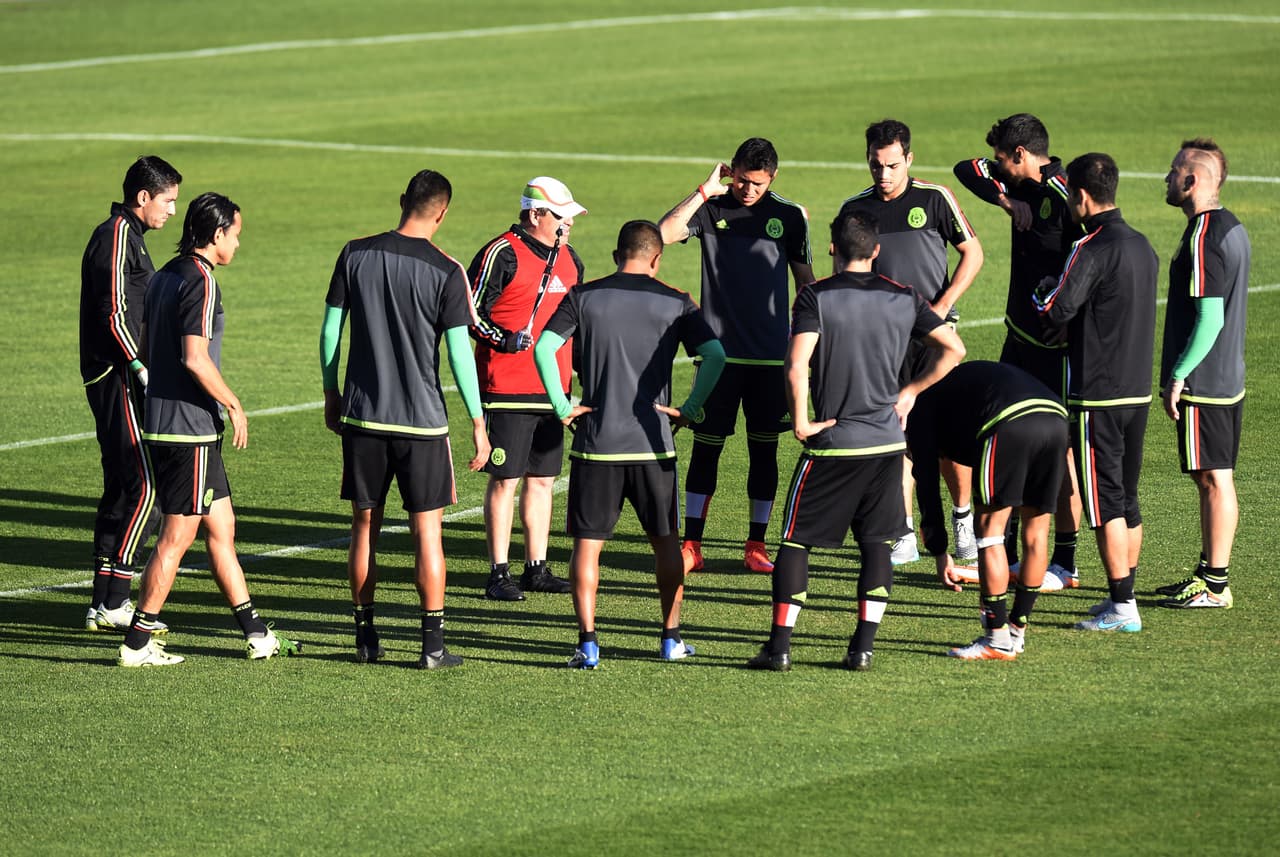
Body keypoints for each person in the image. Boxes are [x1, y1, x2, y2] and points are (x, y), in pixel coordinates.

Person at [747, 209, 965, 672]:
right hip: (887, 445)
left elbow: (796, 365)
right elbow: (955, 348)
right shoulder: (904, 297)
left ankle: (780, 648)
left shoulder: (814, 297)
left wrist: (803, 423)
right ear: (877, 250)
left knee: (794, 543)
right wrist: (910, 391)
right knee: (876, 544)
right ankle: (862, 648)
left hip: (835, 444)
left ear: (833, 247)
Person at [532, 220, 726, 669]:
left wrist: (563, 405)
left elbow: (544, 347)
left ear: (617, 254)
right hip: (653, 446)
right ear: (656, 258)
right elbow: (715, 355)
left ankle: (588, 643)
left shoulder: (584, 297)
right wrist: (691, 408)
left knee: (587, 547)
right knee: (666, 544)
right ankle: (670, 638)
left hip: (597, 444)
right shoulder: (676, 302)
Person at [119, 192, 299, 666]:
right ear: (217, 234)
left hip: (167, 421)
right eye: (236, 234)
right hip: (189, 429)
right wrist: (233, 403)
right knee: (176, 538)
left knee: (222, 528)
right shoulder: (200, 281)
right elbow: (194, 358)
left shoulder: (164, 275)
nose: (238, 244)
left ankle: (256, 633)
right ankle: (137, 642)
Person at [321, 169, 490, 669]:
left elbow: (331, 331)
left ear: (402, 202)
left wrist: (332, 394)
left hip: (365, 418)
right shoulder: (446, 270)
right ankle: (432, 648)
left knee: (363, 527)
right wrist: (478, 422)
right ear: (442, 212)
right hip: (422, 425)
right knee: (427, 535)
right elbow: (460, 354)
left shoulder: (355, 253)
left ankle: (365, 638)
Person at [658, 138, 814, 575]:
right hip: (719, 357)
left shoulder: (789, 216)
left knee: (763, 453)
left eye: (758, 184)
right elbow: (663, 234)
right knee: (707, 450)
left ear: (773, 178)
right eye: (743, 180)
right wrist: (704, 191)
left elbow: (805, 283)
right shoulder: (713, 207)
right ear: (733, 171)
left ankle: (756, 545)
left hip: (770, 358)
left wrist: (808, 340)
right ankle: (692, 544)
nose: (748, 190)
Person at [840, 119, 984, 566]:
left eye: (892, 165)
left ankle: (963, 522)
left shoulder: (934, 199)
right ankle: (902, 532)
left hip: (934, 340)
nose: (883, 174)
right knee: (895, 439)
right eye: (876, 164)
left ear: (909, 159)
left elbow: (973, 253)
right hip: (882, 343)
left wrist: (941, 307)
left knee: (950, 442)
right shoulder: (854, 209)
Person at [953, 114, 1083, 589]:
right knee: (1005, 440)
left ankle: (1064, 560)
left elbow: (1090, 261)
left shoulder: (1067, 197)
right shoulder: (1020, 188)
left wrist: (1067, 323)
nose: (998, 167)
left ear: (1022, 155)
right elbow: (965, 169)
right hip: (1017, 339)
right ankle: (1005, 555)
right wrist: (1005, 200)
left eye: (1004, 162)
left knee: (1059, 450)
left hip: (1055, 348)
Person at [1033, 153, 1158, 633]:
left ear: (1080, 198)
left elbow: (1056, 308)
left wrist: (1042, 294)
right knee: (1127, 498)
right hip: (1136, 392)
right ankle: (1120, 592)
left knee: (1104, 502)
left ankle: (1124, 608)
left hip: (1097, 396)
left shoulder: (1093, 247)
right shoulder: (1142, 246)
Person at [468, 177, 585, 601]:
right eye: (560, 217)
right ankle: (498, 572)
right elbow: (468, 312)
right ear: (535, 214)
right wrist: (503, 339)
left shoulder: (571, 259)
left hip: (555, 391)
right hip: (506, 389)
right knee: (506, 480)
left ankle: (536, 567)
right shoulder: (501, 252)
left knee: (543, 479)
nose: (567, 226)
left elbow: (579, 327)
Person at [79, 156, 182, 632]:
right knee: (146, 487)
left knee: (122, 487)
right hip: (117, 374)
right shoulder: (118, 238)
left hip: (117, 373)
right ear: (144, 197)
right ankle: (119, 596)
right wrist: (140, 366)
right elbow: (114, 313)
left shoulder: (130, 237)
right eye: (168, 201)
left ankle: (103, 600)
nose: (172, 211)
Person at [907, 361, 1068, 660]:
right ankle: (1017, 631)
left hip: (1008, 420)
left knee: (989, 533)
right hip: (1056, 417)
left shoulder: (917, 411)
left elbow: (927, 485)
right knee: (1036, 532)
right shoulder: (949, 392)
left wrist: (940, 552)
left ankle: (996, 638)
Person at [1154, 138, 1250, 609]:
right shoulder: (1231, 226)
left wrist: (1178, 375)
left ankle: (1215, 583)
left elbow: (1210, 317)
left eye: (1173, 172)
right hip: (1227, 377)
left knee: (1213, 479)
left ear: (1191, 181)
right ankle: (1209, 573)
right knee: (1217, 477)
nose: (1167, 178)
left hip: (1205, 381)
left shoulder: (1203, 236)